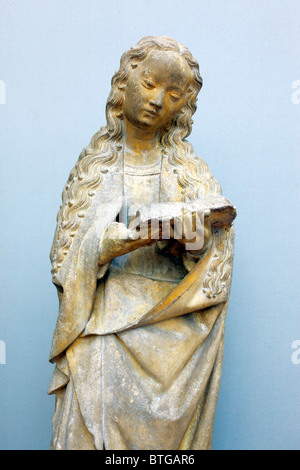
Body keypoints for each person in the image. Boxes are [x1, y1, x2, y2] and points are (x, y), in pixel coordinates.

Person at [48, 36, 236, 450]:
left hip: (169, 331)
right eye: (149, 83)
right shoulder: (95, 167)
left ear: (182, 109)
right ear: (124, 82)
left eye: (172, 95)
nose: (157, 101)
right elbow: (64, 256)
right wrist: (105, 244)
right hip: (102, 330)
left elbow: (215, 261)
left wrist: (191, 236)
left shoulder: (188, 172)